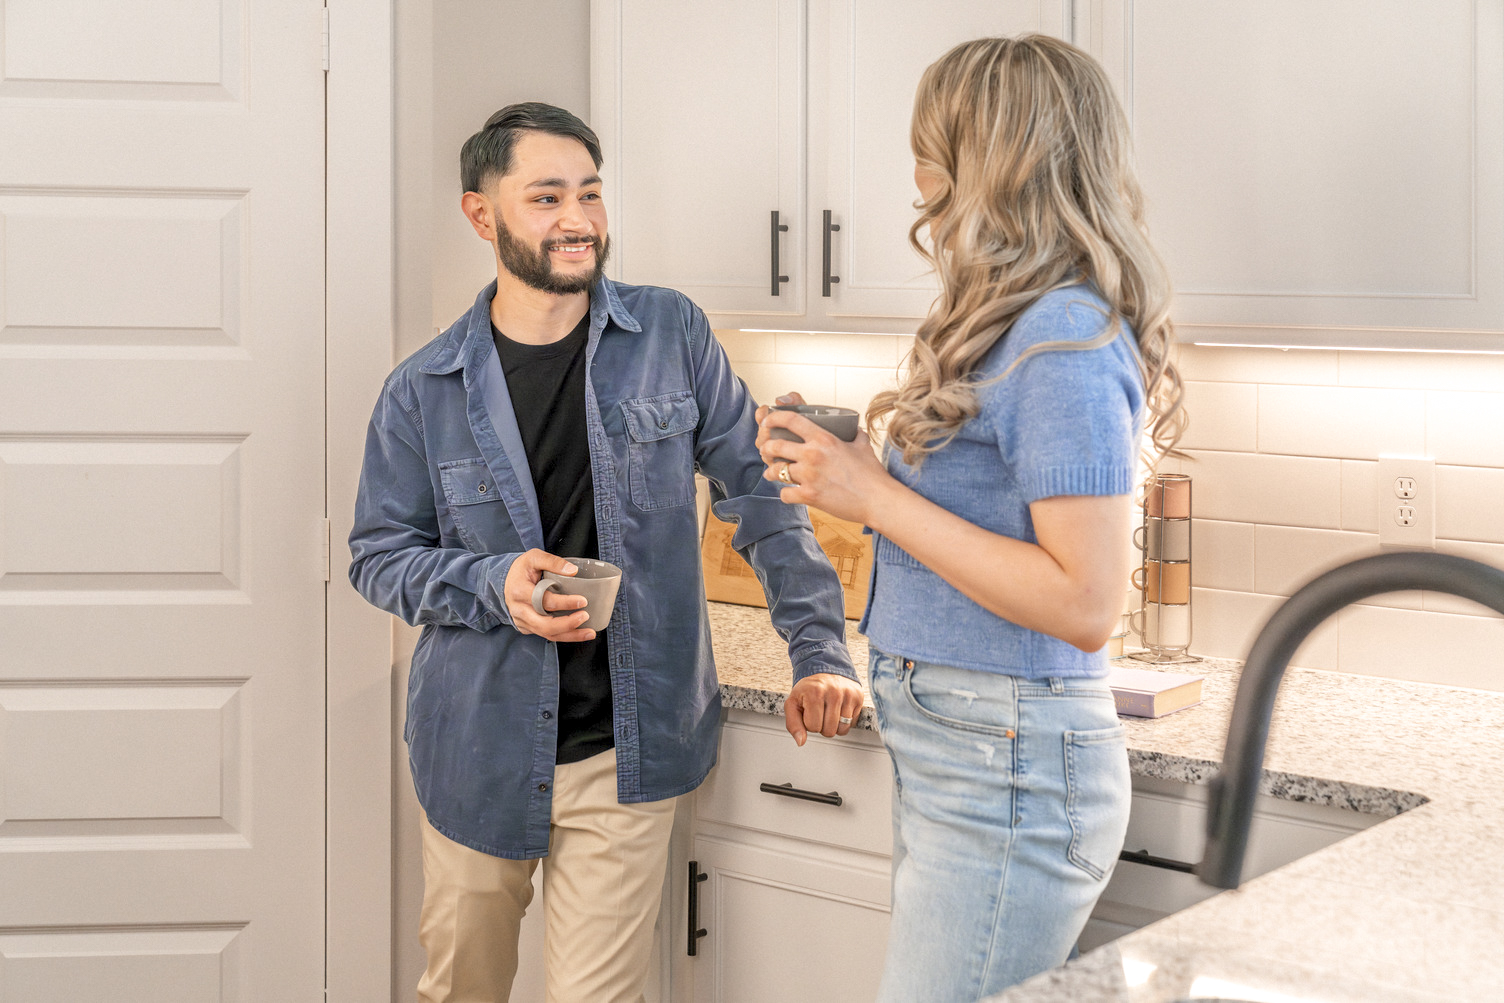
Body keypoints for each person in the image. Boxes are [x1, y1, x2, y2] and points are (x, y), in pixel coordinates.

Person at [348, 102, 864, 1003]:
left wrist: (819, 649)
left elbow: (759, 496)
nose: (578, 218)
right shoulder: (421, 389)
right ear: (482, 215)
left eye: (589, 193)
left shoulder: (671, 334)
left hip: (630, 748)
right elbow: (378, 555)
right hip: (477, 746)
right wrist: (491, 584)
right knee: (460, 991)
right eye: (546, 197)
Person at [756, 36, 1185, 1001]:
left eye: (931, 145)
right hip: (972, 747)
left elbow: (1084, 602)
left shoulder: (1063, 336)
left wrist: (875, 496)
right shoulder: (1014, 317)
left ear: (993, 156)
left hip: (1008, 759)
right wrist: (854, 472)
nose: (917, 174)